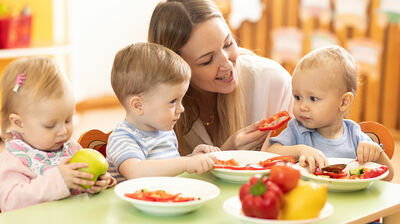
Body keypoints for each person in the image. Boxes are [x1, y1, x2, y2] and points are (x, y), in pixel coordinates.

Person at [148, 0, 293, 155]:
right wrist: (225, 153)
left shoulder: (272, 82)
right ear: (175, 68)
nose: (228, 65)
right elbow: (156, 174)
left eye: (228, 44)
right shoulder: (155, 104)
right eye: (207, 61)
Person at [0, 57, 114, 212]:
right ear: (19, 124)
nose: (63, 131)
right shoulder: (14, 159)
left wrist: (99, 183)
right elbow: (10, 202)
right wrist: (58, 181)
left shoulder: (72, 149)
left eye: (68, 120)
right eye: (50, 125)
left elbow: (83, 194)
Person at [263, 46, 394, 181]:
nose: (302, 106)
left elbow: (388, 176)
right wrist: (300, 150)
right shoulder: (297, 129)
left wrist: (376, 153)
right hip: (309, 197)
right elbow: (269, 154)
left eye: (313, 99)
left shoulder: (354, 133)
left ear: (343, 102)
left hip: (349, 199)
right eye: (297, 97)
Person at [107, 42, 219, 182]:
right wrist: (185, 163)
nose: (181, 108)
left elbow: (167, 168)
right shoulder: (123, 138)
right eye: (173, 101)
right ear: (138, 105)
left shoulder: (164, 132)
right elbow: (136, 172)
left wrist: (192, 158)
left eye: (181, 100)